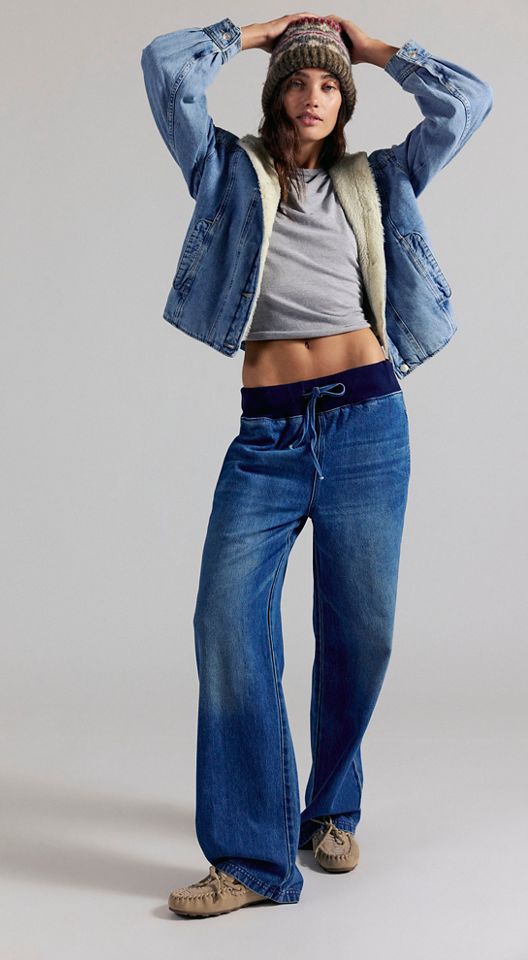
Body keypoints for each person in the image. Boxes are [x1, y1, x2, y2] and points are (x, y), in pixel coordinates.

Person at [140, 13, 493, 918]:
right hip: (267, 438)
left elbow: (469, 102)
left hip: (369, 425)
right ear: (275, 95)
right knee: (226, 621)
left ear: (345, 102)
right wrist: (257, 33)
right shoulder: (226, 170)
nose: (312, 96)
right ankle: (251, 859)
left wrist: (371, 48)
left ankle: (329, 807)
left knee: (360, 632)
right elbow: (165, 69)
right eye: (298, 81)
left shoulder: (379, 178)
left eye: (329, 84)